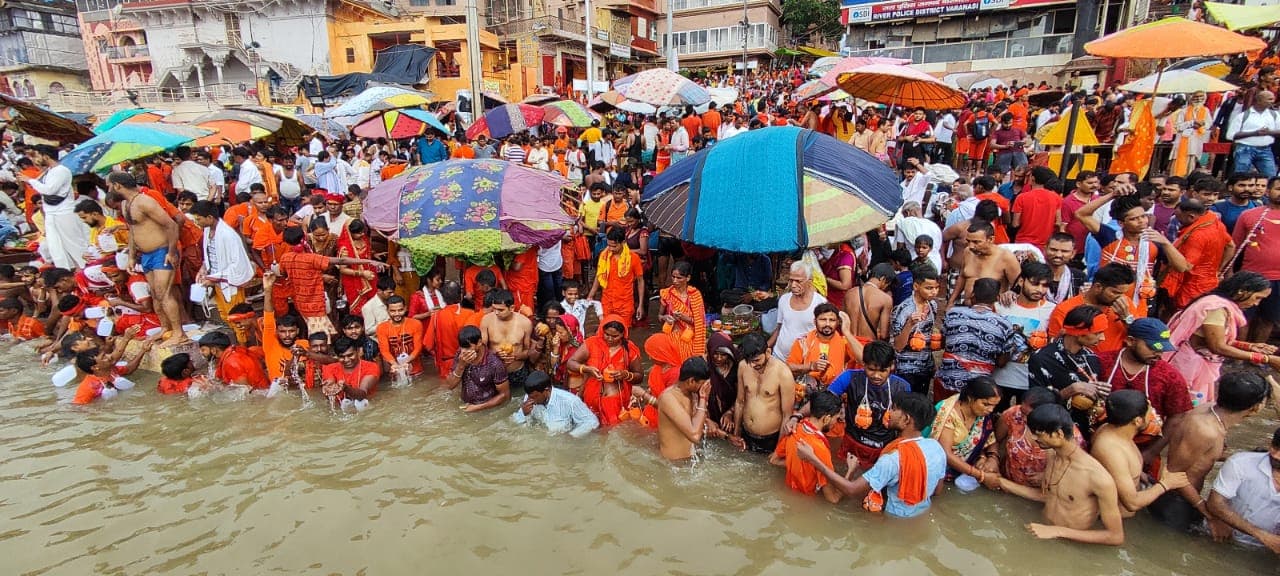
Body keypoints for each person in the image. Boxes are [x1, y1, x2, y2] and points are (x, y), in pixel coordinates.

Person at [1152, 371, 1271, 534]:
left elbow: (1202, 455)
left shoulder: (1211, 411)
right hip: (1176, 503)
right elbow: (1172, 473)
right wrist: (1207, 512)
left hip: (1186, 499)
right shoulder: (1206, 430)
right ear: (1255, 407)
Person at [992, 403, 1126, 546]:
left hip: (1069, 546)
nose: (1034, 438)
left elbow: (1115, 536)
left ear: (1058, 434)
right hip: (1040, 531)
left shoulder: (1098, 478)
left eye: (1038, 434)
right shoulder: (1051, 454)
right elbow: (1047, 496)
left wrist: (1057, 531)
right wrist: (1001, 483)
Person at [795, 392, 946, 518]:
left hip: (893, 519)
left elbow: (851, 489)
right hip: (921, 513)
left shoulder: (892, 459)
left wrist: (813, 459)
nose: (889, 413)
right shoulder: (937, 448)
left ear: (906, 419)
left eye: (894, 409)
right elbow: (937, 491)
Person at [1168, 272, 1278, 407]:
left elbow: (1214, 340)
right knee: (1185, 407)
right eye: (1257, 298)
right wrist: (1265, 359)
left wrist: (1249, 346)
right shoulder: (1217, 308)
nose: (1256, 304)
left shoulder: (1217, 303)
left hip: (1194, 365)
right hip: (1189, 367)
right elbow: (1217, 347)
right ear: (1242, 291)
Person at [1077, 192, 1192, 320]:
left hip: (1140, 303)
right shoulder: (1110, 236)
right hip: (1105, 301)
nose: (1141, 221)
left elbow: (1182, 267)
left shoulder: (1155, 242)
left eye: (1143, 216)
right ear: (1121, 223)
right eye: (1134, 219)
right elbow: (1081, 214)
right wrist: (1112, 195)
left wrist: (1166, 243)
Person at [107, 173, 184, 344]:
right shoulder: (126, 203)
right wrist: (131, 256)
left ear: (117, 185)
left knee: (164, 293)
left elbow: (171, 225)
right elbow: (133, 231)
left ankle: (179, 333)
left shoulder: (144, 201)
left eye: (109, 185)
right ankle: (165, 328)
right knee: (155, 294)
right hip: (146, 255)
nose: (108, 189)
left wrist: (171, 252)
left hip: (162, 251)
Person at [1091, 390, 1192, 516]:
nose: (1153, 415)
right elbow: (1131, 503)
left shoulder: (1112, 429)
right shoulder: (1111, 450)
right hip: (1121, 520)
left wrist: (1138, 474)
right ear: (1138, 421)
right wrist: (1165, 484)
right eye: (1150, 412)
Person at [279, 226, 383, 336]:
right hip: (316, 305)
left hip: (300, 304)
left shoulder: (285, 258)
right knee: (321, 337)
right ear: (303, 238)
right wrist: (368, 261)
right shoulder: (312, 258)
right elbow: (342, 260)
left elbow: (283, 273)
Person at [1207, 426, 1280, 552]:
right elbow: (1215, 503)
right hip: (1220, 538)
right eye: (1275, 448)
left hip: (1264, 552)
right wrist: (1262, 535)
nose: (1276, 455)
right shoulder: (1240, 463)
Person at [190, 201, 255, 342]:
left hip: (230, 284)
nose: (197, 222)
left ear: (209, 217)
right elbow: (209, 255)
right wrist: (204, 268)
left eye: (198, 219)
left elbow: (237, 265)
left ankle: (244, 348)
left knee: (238, 319)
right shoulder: (207, 231)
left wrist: (214, 278)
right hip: (217, 282)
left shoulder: (228, 235)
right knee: (226, 316)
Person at [994, 261, 1056, 406]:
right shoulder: (1001, 306)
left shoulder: (1052, 310)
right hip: (998, 378)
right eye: (1035, 284)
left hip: (1031, 381)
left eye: (1045, 285)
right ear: (1021, 281)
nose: (1040, 289)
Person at [566, 315, 642, 426]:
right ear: (602, 330)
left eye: (615, 336)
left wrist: (626, 375)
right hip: (591, 397)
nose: (610, 339)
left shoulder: (629, 349)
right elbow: (571, 363)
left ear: (623, 334)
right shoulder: (591, 343)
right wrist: (587, 369)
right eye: (607, 334)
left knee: (615, 429)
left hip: (617, 401)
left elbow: (639, 376)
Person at [20, 145, 88, 270]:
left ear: (46, 156)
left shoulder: (61, 170)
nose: (34, 159)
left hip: (64, 213)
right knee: (56, 247)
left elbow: (49, 190)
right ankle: (66, 272)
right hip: (52, 213)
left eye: (37, 156)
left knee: (74, 244)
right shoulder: (49, 171)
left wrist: (30, 180)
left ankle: (85, 269)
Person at [770, 390, 845, 503]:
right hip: (807, 501)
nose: (835, 423)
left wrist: (795, 463)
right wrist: (850, 472)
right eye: (836, 418)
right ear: (826, 419)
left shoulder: (794, 429)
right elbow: (833, 498)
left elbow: (773, 460)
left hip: (788, 494)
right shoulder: (821, 449)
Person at [1230, 175, 1280, 343]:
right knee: (1242, 318)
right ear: (1267, 191)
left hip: (1279, 279)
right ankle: (1237, 352)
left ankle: (1258, 353)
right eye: (1278, 189)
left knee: (1269, 319)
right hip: (1250, 276)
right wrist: (1229, 272)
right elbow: (1234, 246)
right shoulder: (1249, 215)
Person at [1047, 263, 1136, 354]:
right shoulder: (1065, 309)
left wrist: (1126, 318)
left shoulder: (1125, 304)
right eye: (1115, 292)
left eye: (1123, 293)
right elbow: (1054, 346)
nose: (1120, 297)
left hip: (1116, 361)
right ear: (1098, 287)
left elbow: (1139, 338)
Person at [1162, 198, 1233, 309]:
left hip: (1192, 286)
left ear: (1191, 216)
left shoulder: (1197, 235)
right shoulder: (1217, 224)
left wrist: (1165, 244)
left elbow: (1184, 267)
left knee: (1186, 315)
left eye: (1179, 218)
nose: (1178, 221)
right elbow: (1231, 246)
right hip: (1210, 282)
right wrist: (1219, 270)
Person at [929, 375, 1001, 483]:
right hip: (939, 471)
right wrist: (980, 475)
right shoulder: (948, 414)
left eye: (994, 406)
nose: (991, 410)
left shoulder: (982, 413)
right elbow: (946, 454)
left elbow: (990, 439)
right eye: (986, 404)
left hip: (967, 468)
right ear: (970, 398)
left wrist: (992, 458)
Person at [735, 333, 797, 454]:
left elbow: (787, 415)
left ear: (768, 352)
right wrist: (736, 433)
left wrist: (778, 450)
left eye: (756, 360)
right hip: (746, 435)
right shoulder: (743, 366)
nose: (752, 365)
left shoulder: (783, 373)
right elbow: (739, 402)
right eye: (749, 361)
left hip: (771, 439)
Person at [657, 357, 722, 461]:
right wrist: (703, 398)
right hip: (674, 465)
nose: (705, 388)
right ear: (691, 381)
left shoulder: (692, 393)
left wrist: (727, 436)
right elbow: (695, 436)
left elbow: (696, 422)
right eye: (703, 384)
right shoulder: (669, 398)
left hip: (689, 461)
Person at [786, 304, 865, 387]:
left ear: (838, 322)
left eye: (832, 320)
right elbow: (788, 368)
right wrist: (810, 366)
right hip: (808, 389)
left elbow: (864, 360)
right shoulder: (803, 341)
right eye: (823, 319)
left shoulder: (844, 341)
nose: (827, 324)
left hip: (836, 389)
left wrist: (847, 332)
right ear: (815, 321)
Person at [890, 265, 941, 393]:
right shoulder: (904, 309)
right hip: (906, 369)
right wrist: (909, 324)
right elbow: (897, 346)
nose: (934, 292)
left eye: (936, 288)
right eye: (929, 288)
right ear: (916, 286)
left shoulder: (932, 305)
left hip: (925, 367)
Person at [947, 221, 1021, 308]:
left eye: (976, 242)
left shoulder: (1006, 257)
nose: (971, 246)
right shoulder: (968, 252)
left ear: (991, 239)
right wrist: (951, 302)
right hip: (967, 308)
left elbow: (1018, 287)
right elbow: (962, 277)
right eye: (968, 241)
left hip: (993, 311)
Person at [442, 325, 511, 412]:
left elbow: (505, 395)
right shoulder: (461, 355)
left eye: (467, 347)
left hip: (487, 410)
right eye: (462, 347)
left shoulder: (494, 363)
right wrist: (461, 366)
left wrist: (477, 408)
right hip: (465, 405)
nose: (463, 351)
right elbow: (450, 386)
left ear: (479, 343)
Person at [513, 369, 599, 438]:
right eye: (529, 396)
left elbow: (592, 422)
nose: (531, 399)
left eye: (535, 396)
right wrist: (523, 414)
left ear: (547, 390)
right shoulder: (530, 397)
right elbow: (514, 424)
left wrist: (572, 436)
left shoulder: (570, 401)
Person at [586, 227, 645, 328]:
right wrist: (591, 295)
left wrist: (640, 305)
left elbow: (640, 281)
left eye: (614, 246)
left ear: (623, 242)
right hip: (607, 302)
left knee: (623, 332)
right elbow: (599, 276)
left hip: (625, 304)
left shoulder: (633, 258)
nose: (611, 249)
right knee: (605, 330)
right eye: (609, 245)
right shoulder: (604, 256)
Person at [768, 261, 827, 361]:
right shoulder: (784, 299)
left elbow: (825, 336)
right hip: (779, 357)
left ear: (810, 281)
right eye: (791, 280)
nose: (793, 285)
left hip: (805, 362)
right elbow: (779, 328)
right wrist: (765, 347)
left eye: (798, 281)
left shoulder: (820, 303)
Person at [479, 289, 536, 389]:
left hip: (517, 371)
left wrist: (516, 356)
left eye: (501, 310)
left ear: (512, 308)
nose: (496, 313)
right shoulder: (486, 320)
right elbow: (481, 349)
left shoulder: (525, 323)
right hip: (494, 371)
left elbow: (528, 350)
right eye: (494, 309)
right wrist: (495, 355)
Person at [1225, 89, 1280, 177]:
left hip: (1265, 149)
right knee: (1241, 176)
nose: (1272, 101)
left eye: (1273, 99)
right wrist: (1254, 133)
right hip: (1244, 149)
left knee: (1271, 177)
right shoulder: (1243, 116)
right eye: (1269, 99)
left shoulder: (1274, 115)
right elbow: (1230, 135)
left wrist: (1269, 132)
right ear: (1259, 100)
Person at [658, 261, 706, 358]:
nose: (675, 281)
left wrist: (684, 318)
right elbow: (659, 316)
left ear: (688, 278)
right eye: (673, 277)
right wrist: (665, 318)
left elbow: (700, 322)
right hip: (671, 337)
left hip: (689, 338)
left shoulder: (695, 295)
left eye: (679, 278)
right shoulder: (666, 293)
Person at [1011, 166, 1063, 248]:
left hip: (1023, 242)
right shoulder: (1056, 198)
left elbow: (1015, 224)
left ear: (1033, 178)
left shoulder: (1021, 197)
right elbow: (1058, 222)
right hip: (1045, 244)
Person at [197, 330, 269, 389]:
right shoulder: (234, 352)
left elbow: (245, 391)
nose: (201, 353)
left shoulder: (232, 362)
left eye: (203, 350)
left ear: (214, 350)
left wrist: (213, 388)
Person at [336, 220, 379, 316]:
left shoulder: (365, 239)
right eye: (358, 233)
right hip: (354, 282)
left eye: (363, 231)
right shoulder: (345, 248)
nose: (362, 234)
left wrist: (374, 255)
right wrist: (362, 273)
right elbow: (343, 269)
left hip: (370, 277)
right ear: (350, 232)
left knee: (373, 305)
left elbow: (366, 255)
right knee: (360, 310)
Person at [321, 336, 381, 404]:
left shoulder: (371, 367)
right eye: (342, 357)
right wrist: (329, 388)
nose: (346, 360)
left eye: (350, 355)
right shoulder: (329, 368)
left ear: (358, 351)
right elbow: (330, 383)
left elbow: (362, 395)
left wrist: (346, 388)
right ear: (337, 356)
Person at [843, 262, 894, 341]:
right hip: (868, 345)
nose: (886, 287)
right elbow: (884, 335)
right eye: (887, 284)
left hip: (848, 341)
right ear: (883, 279)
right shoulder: (885, 299)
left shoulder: (849, 293)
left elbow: (842, 320)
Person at [377, 295, 425, 378]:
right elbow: (384, 351)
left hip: (416, 371)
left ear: (405, 308)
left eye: (400, 310)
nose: (397, 314)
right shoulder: (382, 328)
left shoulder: (416, 324)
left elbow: (418, 347)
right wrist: (395, 365)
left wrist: (406, 362)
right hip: (395, 371)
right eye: (393, 311)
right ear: (387, 310)